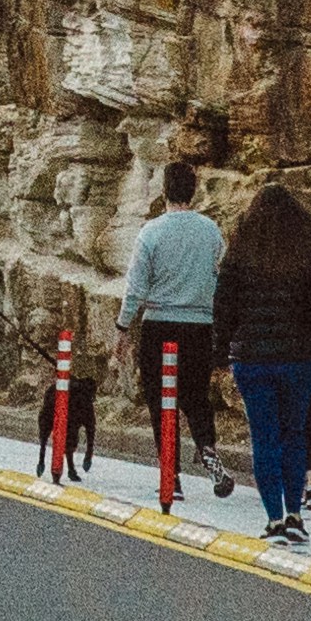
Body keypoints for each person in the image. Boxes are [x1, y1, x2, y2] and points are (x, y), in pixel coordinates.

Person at [221, 196, 311, 546]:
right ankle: (295, 515)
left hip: (253, 359)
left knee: (264, 439)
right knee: (294, 436)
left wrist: (219, 354)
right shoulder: (308, 256)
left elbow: (224, 307)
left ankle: (273, 518)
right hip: (299, 360)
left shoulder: (238, 255)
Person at [117, 161, 230, 495]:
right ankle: (208, 449)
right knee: (196, 396)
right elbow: (220, 279)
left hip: (159, 327)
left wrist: (122, 326)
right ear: (193, 191)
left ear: (164, 191)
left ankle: (172, 476)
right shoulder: (211, 231)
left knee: (160, 401)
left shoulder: (151, 232)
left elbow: (135, 287)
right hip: (199, 326)